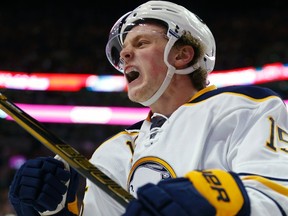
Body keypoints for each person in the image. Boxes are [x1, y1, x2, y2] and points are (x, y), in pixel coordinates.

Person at [8, 1, 288, 215]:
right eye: (123, 49)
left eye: (141, 43)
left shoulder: (246, 108)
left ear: (182, 55)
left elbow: (278, 194)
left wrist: (211, 197)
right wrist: (54, 208)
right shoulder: (114, 149)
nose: (125, 54)